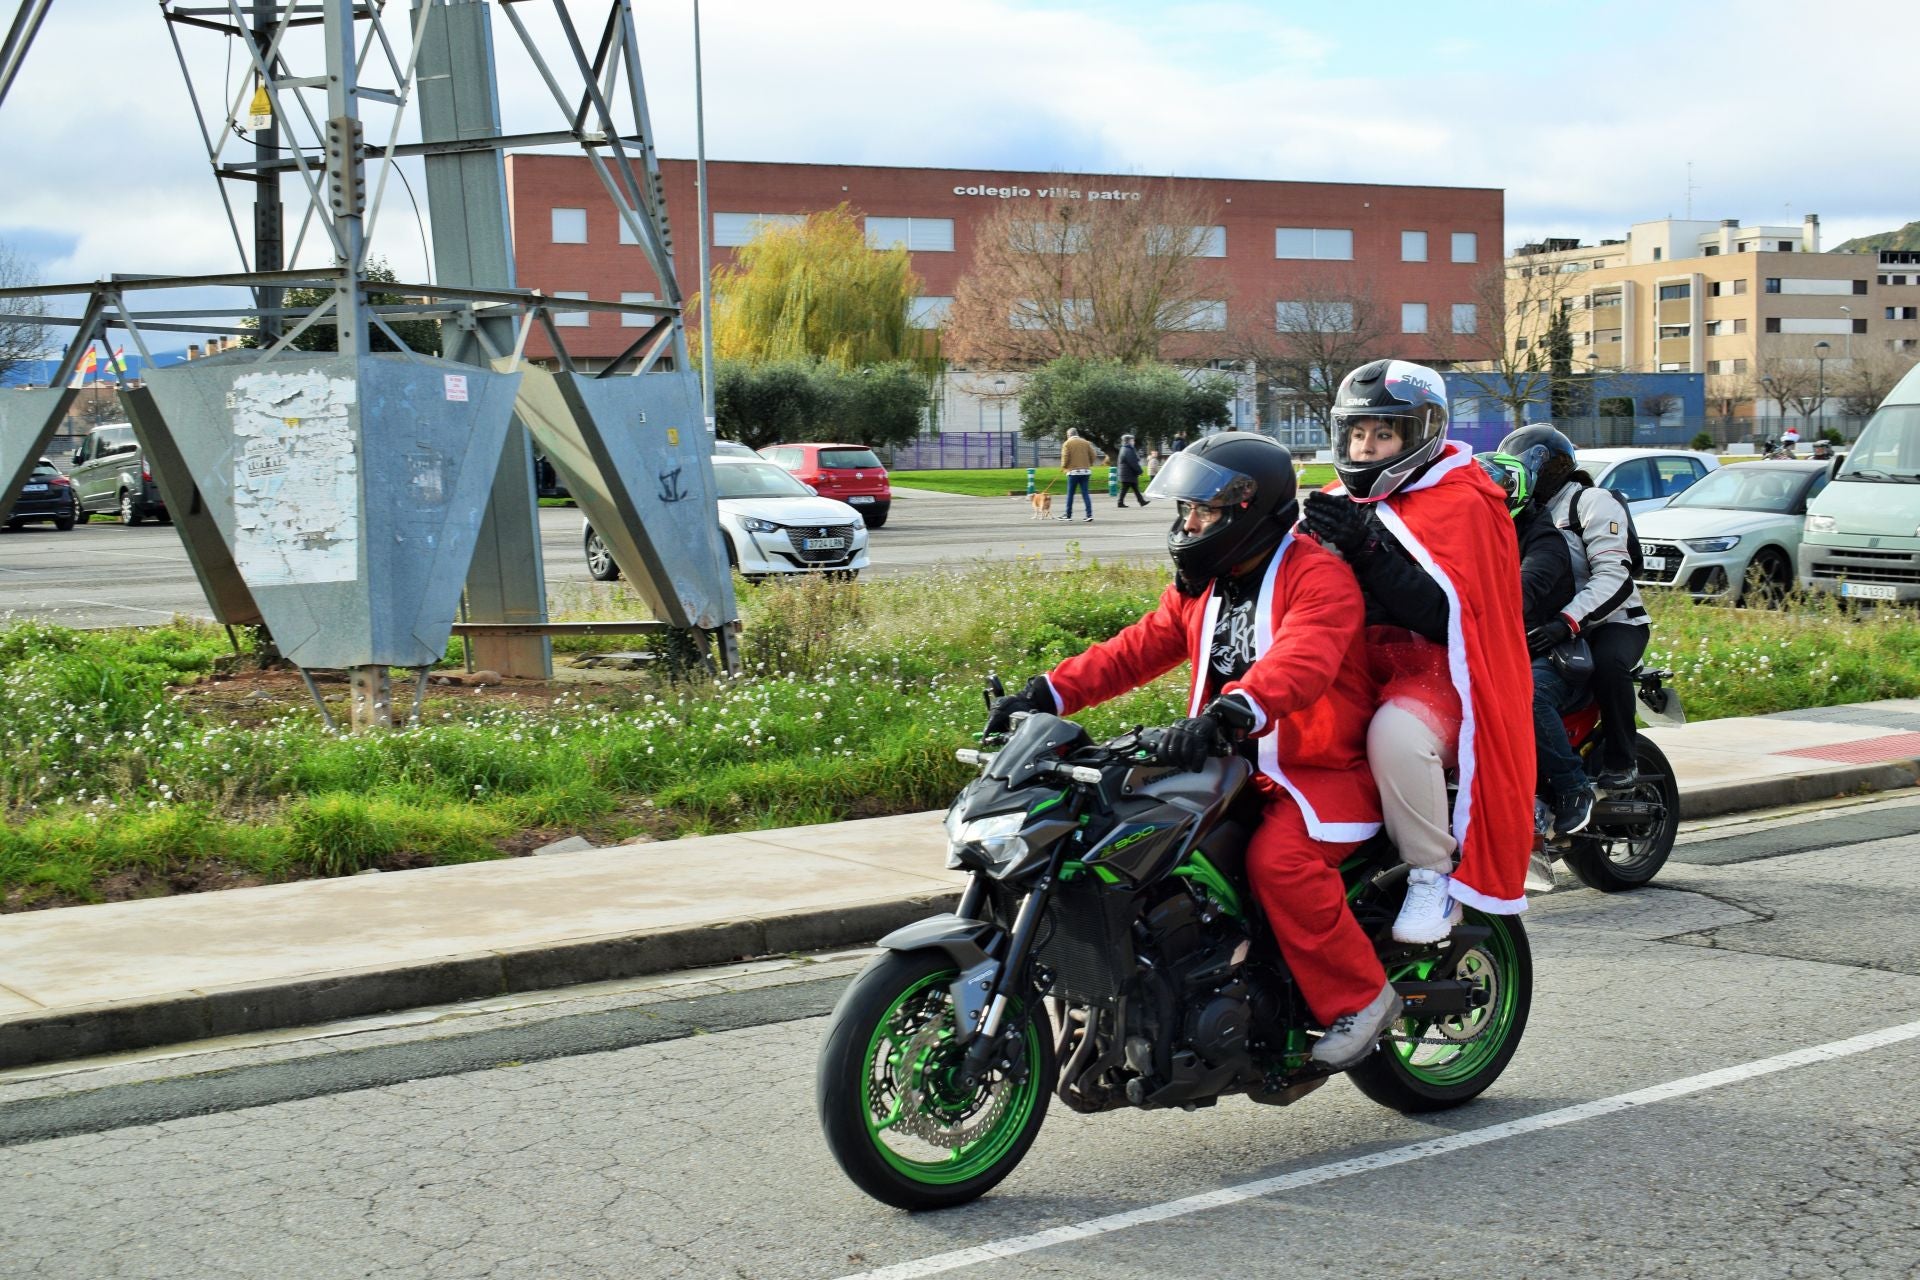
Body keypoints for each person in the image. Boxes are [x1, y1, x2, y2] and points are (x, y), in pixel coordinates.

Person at [984, 432, 1401, 1070]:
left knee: (1279, 863)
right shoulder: (1207, 581)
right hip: (1226, 765)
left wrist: (1231, 710)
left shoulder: (1318, 575)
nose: (1190, 523)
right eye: (1187, 509)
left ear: (1249, 511)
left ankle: (1363, 999)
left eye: (1204, 510)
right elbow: (1137, 648)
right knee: (1123, 838)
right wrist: (1045, 693)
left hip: (1314, 769)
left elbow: (1303, 659)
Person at [1298, 360, 1534, 945]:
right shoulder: (1338, 500)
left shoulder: (1467, 500)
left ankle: (1433, 875)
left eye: (1383, 434)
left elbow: (1445, 617)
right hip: (1354, 667)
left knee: (1395, 736)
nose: (1366, 447)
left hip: (1442, 673)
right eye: (1357, 432)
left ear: (1421, 433)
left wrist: (1365, 551)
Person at [1498, 424, 1648, 792]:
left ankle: (1621, 761)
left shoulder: (1591, 502)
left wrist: (1566, 622)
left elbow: (1615, 577)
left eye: (1525, 465)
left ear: (1550, 465)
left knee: (1608, 665)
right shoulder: (1524, 512)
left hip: (1613, 620)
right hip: (1551, 623)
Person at [1478, 452, 1592, 840]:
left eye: (1493, 493)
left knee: (1529, 697)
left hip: (1548, 652)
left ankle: (1573, 787)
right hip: (1497, 652)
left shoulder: (1544, 540)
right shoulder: (1478, 536)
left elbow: (1522, 592)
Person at [1058, 428, 1096, 523]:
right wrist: (1089, 463)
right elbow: (1093, 455)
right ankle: (1089, 515)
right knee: (1085, 493)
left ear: (1068, 435)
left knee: (1070, 494)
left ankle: (1068, 515)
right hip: (1086, 471)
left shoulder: (1067, 443)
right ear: (1077, 434)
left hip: (1073, 472)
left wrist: (1063, 467)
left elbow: (1065, 457)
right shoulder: (1086, 443)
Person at [1116, 434, 1148, 508]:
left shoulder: (1126, 449)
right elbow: (1133, 462)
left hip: (1128, 473)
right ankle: (1120, 502)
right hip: (1128, 473)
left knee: (1134, 488)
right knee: (1125, 488)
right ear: (1128, 441)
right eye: (1132, 440)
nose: (1134, 442)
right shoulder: (1127, 450)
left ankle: (1141, 501)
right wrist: (1139, 471)